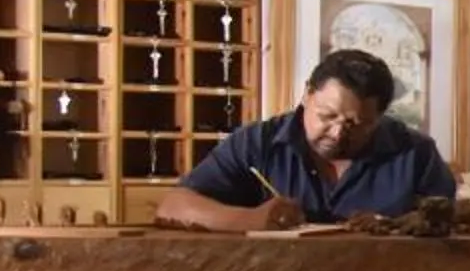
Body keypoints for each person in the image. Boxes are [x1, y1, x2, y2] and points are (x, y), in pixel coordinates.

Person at [156, 48, 454, 231]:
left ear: (380, 116)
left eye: (357, 124)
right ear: (307, 93)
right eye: (327, 116)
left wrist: (391, 226)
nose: (337, 134)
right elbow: (173, 206)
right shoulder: (258, 143)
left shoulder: (416, 154)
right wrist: (251, 220)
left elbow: (452, 230)